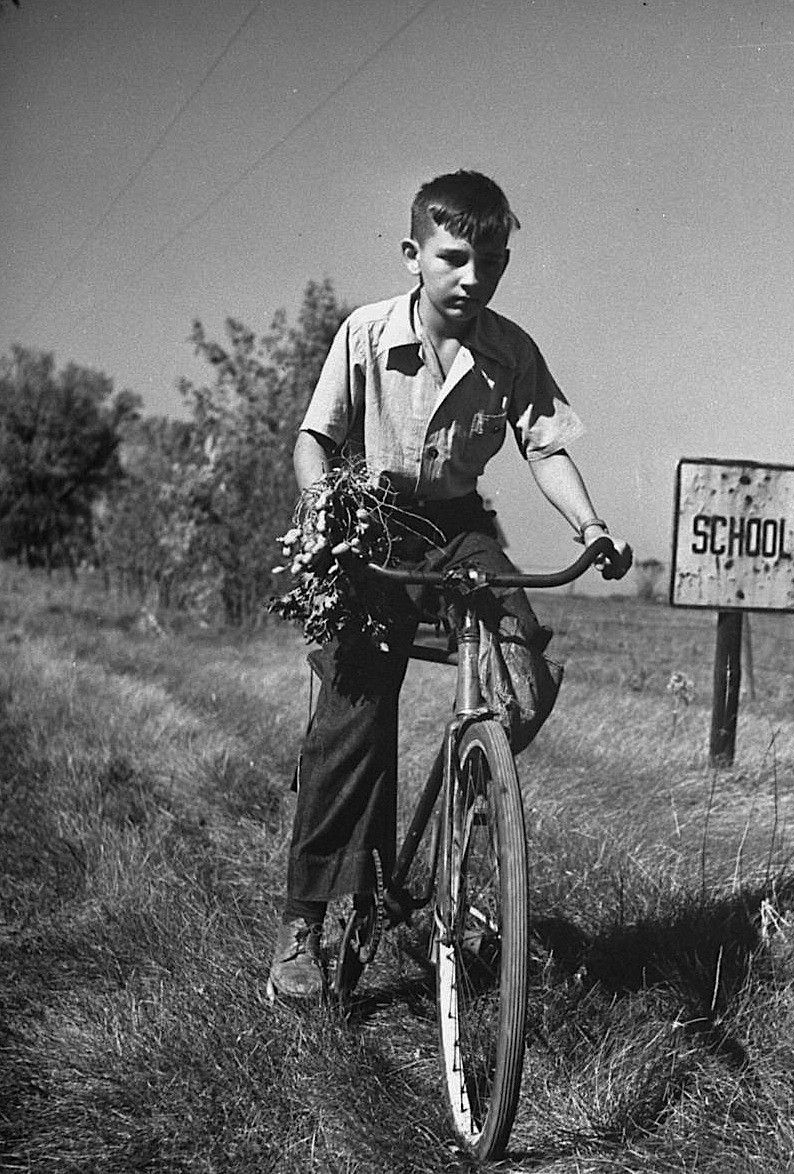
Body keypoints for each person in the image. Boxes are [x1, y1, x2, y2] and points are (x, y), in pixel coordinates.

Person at [268, 169, 632, 1000]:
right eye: (456, 257)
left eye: (493, 260)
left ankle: (467, 817)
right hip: (372, 521)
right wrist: (325, 510)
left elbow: (545, 447)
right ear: (414, 256)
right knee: (352, 718)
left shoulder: (511, 350)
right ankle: (304, 924)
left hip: (460, 528)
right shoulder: (364, 333)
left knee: (523, 682)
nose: (475, 277)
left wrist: (591, 526)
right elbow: (314, 440)